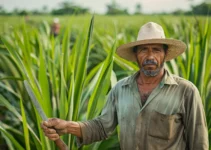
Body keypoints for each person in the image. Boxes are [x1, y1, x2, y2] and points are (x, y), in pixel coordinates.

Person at [41, 22, 209, 150]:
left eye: (156, 50)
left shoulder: (186, 91)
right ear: (135, 55)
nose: (150, 56)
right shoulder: (120, 89)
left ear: (165, 54)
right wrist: (67, 126)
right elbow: (101, 127)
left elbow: (199, 142)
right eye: (144, 50)